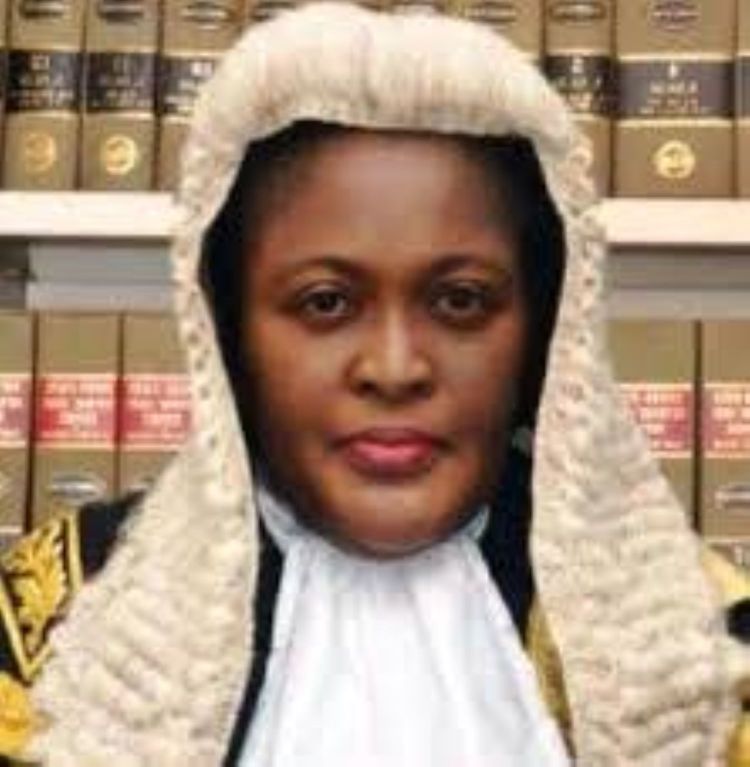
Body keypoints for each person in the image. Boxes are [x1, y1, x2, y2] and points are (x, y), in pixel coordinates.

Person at [1, 3, 750, 765]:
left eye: (460, 301)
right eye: (325, 303)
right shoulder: (60, 617)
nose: (394, 368)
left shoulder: (701, 637)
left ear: (546, 329)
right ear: (227, 331)